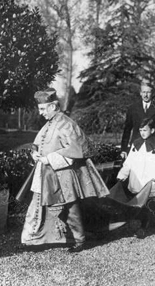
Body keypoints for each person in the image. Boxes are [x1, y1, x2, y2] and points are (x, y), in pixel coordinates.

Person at [21, 88, 109, 253]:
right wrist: (34, 152)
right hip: (47, 172)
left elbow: (75, 150)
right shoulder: (49, 124)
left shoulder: (66, 123)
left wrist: (49, 158)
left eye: (42, 109)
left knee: (70, 207)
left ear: (53, 107)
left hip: (64, 173)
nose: (40, 113)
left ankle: (79, 239)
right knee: (38, 205)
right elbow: (37, 143)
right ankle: (33, 239)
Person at [117, 117, 155, 232]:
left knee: (151, 202)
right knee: (140, 203)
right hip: (138, 178)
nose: (142, 133)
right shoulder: (136, 144)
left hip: (150, 179)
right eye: (140, 130)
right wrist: (123, 174)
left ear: (152, 130)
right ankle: (144, 224)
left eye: (145, 130)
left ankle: (148, 226)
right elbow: (129, 162)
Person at [120, 80, 155, 158]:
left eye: (148, 92)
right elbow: (127, 130)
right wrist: (123, 149)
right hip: (136, 147)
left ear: (152, 93)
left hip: (154, 148)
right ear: (140, 93)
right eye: (144, 92)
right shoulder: (133, 108)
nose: (146, 95)